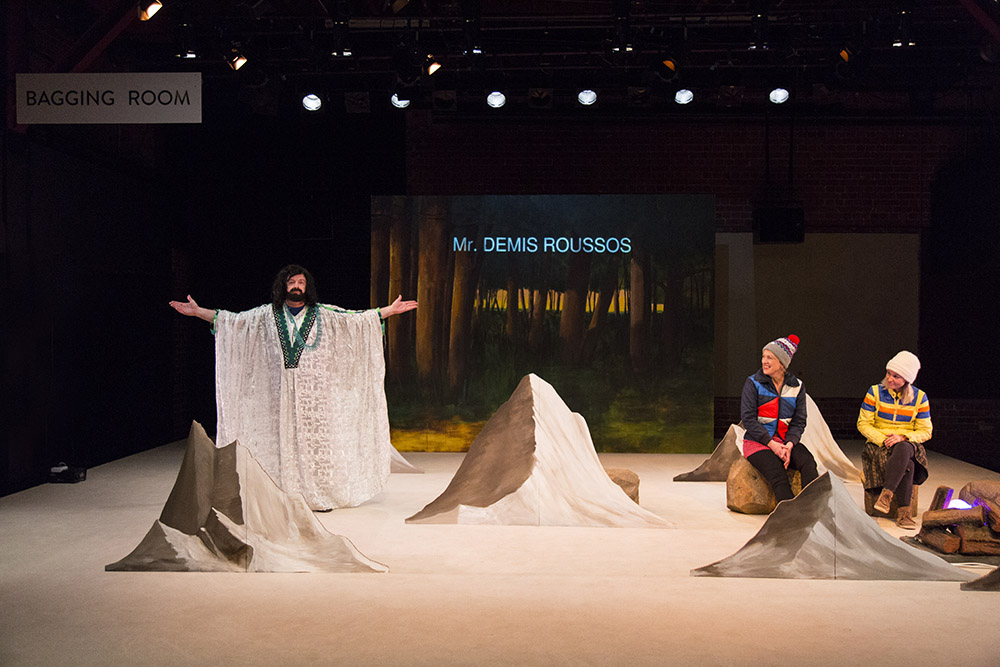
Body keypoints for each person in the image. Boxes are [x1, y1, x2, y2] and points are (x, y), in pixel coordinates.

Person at [169, 264, 417, 511]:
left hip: (315, 397)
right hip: (278, 397)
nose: (296, 286)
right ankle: (282, 495)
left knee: (317, 446)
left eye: (301, 282)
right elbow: (233, 321)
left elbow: (356, 319)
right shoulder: (265, 315)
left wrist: (389, 310)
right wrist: (198, 312)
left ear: (307, 287)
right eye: (291, 282)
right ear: (283, 286)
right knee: (280, 446)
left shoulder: (324, 314)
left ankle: (317, 496)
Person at [739, 334, 818, 504]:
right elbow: (748, 419)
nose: (764, 361)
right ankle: (788, 516)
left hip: (784, 441)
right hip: (758, 443)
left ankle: (811, 510)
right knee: (778, 475)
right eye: (763, 356)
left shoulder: (797, 386)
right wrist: (772, 445)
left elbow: (799, 421)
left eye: (770, 358)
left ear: (782, 363)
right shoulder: (753, 383)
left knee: (808, 462)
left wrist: (789, 444)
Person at [856, 351, 931, 530]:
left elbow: (926, 431)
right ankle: (904, 514)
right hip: (879, 445)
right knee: (908, 465)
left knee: (904, 448)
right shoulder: (875, 392)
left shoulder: (920, 398)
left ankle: (887, 494)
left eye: (896, 376)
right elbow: (863, 423)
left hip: (908, 444)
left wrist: (904, 437)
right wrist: (883, 440)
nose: (889, 379)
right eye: (888, 373)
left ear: (907, 379)